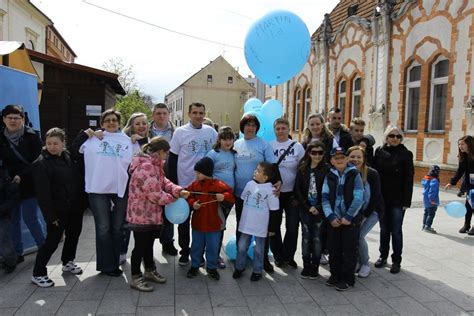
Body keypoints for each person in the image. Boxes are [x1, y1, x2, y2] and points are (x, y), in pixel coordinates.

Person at [72, 109, 139, 276]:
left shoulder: (127, 141)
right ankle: (106, 266)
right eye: (107, 120)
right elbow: (74, 150)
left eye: (114, 120)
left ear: (119, 123)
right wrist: (85, 134)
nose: (111, 123)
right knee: (103, 227)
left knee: (118, 227)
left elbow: (140, 159)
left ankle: (115, 261)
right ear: (102, 123)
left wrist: (139, 140)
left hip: (120, 188)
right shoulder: (92, 139)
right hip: (97, 188)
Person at [126, 137, 189, 292]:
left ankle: (149, 270)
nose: (167, 156)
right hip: (141, 215)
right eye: (166, 153)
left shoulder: (155, 165)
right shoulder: (146, 167)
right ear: (161, 152)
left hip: (151, 213)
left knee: (148, 245)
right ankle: (135, 277)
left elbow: (164, 182)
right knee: (140, 247)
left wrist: (177, 190)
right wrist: (174, 197)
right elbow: (154, 193)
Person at [31, 128, 87, 287]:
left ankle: (68, 262)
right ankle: (38, 273)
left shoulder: (68, 157)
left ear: (63, 143)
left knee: (73, 235)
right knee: (52, 241)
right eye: (49, 143)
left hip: (74, 207)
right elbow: (43, 195)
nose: (52, 146)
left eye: (56, 143)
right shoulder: (41, 163)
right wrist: (51, 217)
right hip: (57, 211)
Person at [168, 102, 218, 265]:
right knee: (184, 221)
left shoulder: (211, 132)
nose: (198, 116)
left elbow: (217, 155)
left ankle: (200, 253)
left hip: (205, 187)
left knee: (202, 221)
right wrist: (175, 185)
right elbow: (173, 159)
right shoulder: (180, 133)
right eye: (195, 112)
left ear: (205, 114)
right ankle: (184, 252)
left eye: (201, 113)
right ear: (189, 114)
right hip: (185, 184)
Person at [0, 105, 44, 263]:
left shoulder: (32, 136)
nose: (13, 120)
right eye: (9, 117)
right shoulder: (1, 137)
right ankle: (17, 252)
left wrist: (21, 175)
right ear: (3, 119)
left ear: (23, 119)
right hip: (8, 186)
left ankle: (43, 247)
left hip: (29, 184)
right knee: (13, 220)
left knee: (30, 217)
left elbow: (38, 161)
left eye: (16, 118)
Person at [233, 114, 277, 273]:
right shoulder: (236, 144)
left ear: (257, 127)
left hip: (260, 194)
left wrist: (277, 182)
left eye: (253, 125)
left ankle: (263, 260)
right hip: (240, 193)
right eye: (247, 124)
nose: (249, 127)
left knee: (261, 228)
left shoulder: (263, 144)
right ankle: (240, 260)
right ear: (242, 126)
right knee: (241, 225)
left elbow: (272, 167)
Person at [373, 125, 414, 274]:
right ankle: (382, 256)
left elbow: (409, 178)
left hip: (398, 198)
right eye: (392, 136)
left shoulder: (406, 154)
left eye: (398, 136)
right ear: (386, 137)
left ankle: (397, 260)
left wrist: (406, 202)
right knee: (384, 229)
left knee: (396, 230)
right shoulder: (379, 151)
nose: (395, 139)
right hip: (382, 197)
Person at [322, 147, 364, 291]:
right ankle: (335, 275)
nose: (339, 160)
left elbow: (359, 197)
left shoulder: (355, 175)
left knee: (349, 250)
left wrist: (349, 216)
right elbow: (325, 198)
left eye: (342, 157)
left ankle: (347, 279)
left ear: (347, 159)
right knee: (334, 249)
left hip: (349, 221)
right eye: (336, 158)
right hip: (334, 221)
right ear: (332, 161)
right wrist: (331, 216)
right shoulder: (329, 176)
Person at [186, 157, 235, 280]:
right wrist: (193, 204)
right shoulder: (195, 185)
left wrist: (223, 196)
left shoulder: (219, 185)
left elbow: (230, 195)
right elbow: (188, 195)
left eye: (198, 173)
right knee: (196, 245)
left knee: (213, 247)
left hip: (214, 224)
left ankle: (212, 267)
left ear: (206, 173)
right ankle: (195, 265)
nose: (196, 175)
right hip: (198, 223)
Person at [233, 162, 279, 281]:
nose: (255, 172)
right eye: (256, 169)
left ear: (265, 177)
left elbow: (274, 211)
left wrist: (272, 228)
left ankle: (257, 270)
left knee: (259, 249)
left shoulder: (271, 190)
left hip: (261, 226)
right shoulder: (249, 184)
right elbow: (243, 198)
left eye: (258, 171)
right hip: (246, 224)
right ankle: (239, 267)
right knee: (242, 246)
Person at [269, 118, 305, 268]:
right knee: (274, 226)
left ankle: (288, 256)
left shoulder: (297, 147)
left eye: (283, 128)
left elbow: (303, 169)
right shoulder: (269, 146)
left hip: (292, 194)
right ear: (274, 130)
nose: (281, 131)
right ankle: (278, 255)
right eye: (278, 128)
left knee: (292, 226)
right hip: (274, 193)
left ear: (289, 129)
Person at [301, 113, 334, 264]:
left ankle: (322, 251)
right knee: (308, 230)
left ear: (322, 124)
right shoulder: (304, 141)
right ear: (308, 126)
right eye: (312, 124)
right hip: (310, 180)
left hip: (324, 178)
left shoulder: (330, 140)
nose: (315, 127)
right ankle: (310, 256)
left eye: (317, 124)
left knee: (323, 224)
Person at [347, 146, 384, 278]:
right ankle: (357, 261)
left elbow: (376, 196)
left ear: (363, 159)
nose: (355, 159)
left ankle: (365, 264)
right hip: (354, 212)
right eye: (352, 156)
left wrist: (365, 215)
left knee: (359, 236)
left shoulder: (372, 173)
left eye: (358, 157)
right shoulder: (346, 172)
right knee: (353, 237)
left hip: (372, 211)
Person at [294, 141, 329, 279]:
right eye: (314, 152)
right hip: (305, 208)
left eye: (320, 152)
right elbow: (297, 189)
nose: (317, 155)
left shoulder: (327, 169)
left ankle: (315, 266)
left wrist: (318, 207)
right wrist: (308, 206)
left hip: (320, 209)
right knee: (306, 236)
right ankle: (306, 264)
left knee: (317, 238)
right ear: (309, 153)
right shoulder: (303, 169)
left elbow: (329, 191)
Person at [148, 103, 179, 256]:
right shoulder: (145, 131)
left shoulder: (176, 132)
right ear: (153, 115)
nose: (161, 116)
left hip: (169, 173)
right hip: (148, 175)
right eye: (158, 113)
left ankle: (168, 242)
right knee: (150, 209)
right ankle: (148, 245)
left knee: (168, 207)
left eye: (164, 113)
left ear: (169, 115)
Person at [206, 126, 236, 268]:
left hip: (229, 196)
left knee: (221, 226)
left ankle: (214, 254)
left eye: (230, 138)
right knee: (217, 226)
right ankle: (213, 256)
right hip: (215, 196)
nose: (227, 141)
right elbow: (204, 172)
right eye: (224, 139)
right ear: (219, 140)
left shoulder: (234, 154)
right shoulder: (213, 154)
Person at [445, 136, 474, 235]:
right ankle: (467, 225)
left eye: (463, 144)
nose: (460, 146)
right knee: (469, 205)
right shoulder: (463, 157)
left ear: (469, 145)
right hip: (470, 184)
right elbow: (460, 171)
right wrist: (452, 182)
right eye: (459, 144)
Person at [0, 158, 20, 273]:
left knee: (4, 239)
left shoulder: (4, 172)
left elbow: (11, 194)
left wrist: (3, 209)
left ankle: (10, 261)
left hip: (2, 213)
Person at [422, 165, 440, 234]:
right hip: (432, 201)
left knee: (426, 212)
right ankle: (428, 226)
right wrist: (432, 199)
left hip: (425, 199)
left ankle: (424, 225)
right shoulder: (434, 180)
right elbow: (432, 191)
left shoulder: (426, 179)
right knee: (431, 214)